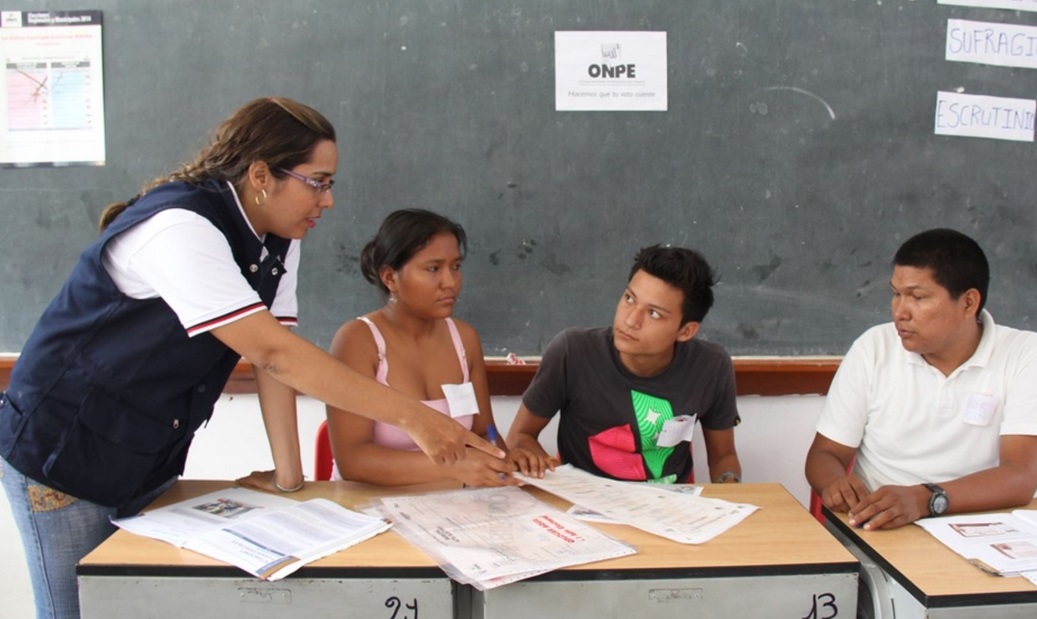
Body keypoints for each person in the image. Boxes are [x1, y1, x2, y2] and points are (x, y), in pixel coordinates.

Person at [0, 97, 500, 619]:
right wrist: (413, 417)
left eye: (330, 183)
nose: (328, 200)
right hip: (64, 450)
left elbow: (273, 354)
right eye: (317, 182)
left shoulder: (279, 236)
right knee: (75, 611)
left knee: (142, 607)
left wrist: (289, 477)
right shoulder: (180, 227)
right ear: (261, 175)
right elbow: (273, 352)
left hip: (145, 452)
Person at [805, 228, 1037, 530]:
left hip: (982, 529)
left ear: (968, 303)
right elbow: (825, 454)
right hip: (881, 528)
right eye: (896, 294)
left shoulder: (1027, 354)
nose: (899, 312)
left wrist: (924, 500)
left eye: (918, 297)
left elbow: (1020, 477)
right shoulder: (874, 347)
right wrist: (835, 483)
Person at [507, 245, 742, 484]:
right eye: (629, 299)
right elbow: (520, 436)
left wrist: (730, 484)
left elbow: (723, 456)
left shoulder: (711, 366)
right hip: (584, 500)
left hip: (669, 503)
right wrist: (538, 464)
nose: (630, 320)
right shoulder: (572, 352)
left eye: (653, 313)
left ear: (686, 331)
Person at [326, 209, 515, 487]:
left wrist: (505, 459)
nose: (450, 282)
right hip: (368, 503)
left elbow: (484, 432)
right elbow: (353, 460)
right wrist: (454, 467)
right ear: (390, 278)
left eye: (456, 267)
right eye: (433, 269)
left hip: (449, 503)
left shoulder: (464, 339)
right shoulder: (358, 340)